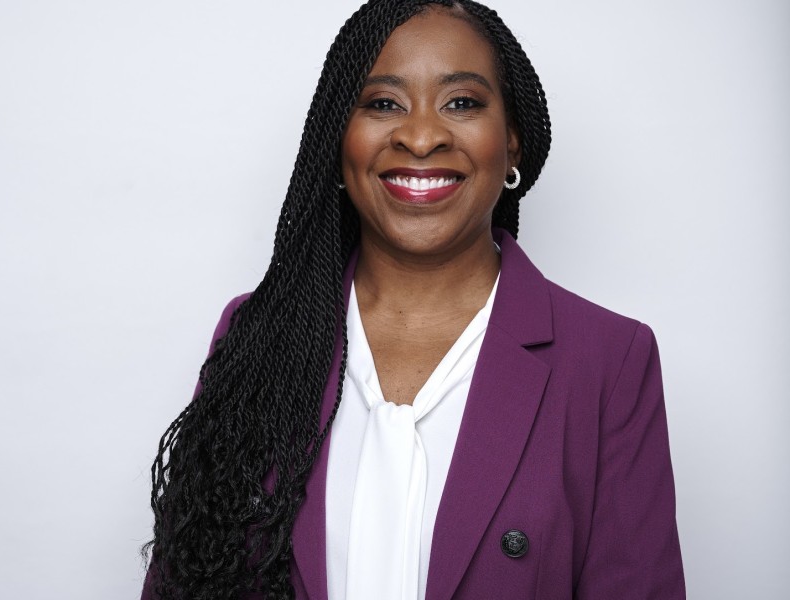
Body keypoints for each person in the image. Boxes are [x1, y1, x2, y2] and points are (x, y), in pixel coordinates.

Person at [142, 0, 685, 598]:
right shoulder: (258, 331)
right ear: (336, 138)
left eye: (462, 102)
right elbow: (186, 578)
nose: (421, 136)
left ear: (513, 142)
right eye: (381, 104)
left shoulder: (607, 361)